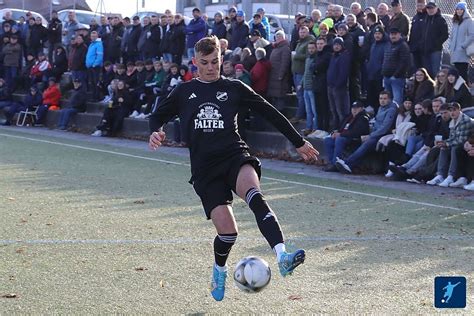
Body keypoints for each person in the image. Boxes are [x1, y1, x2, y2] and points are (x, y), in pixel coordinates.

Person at [148, 36, 318, 302]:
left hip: (234, 156)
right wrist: (155, 132)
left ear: (221, 59)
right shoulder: (183, 92)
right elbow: (157, 116)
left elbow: (270, 112)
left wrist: (298, 142)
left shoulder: (235, 88)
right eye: (204, 63)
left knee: (255, 195)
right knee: (228, 233)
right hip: (205, 169)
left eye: (215, 61)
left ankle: (282, 255)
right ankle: (219, 270)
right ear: (195, 62)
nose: (210, 67)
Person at [335, 90, 397, 174]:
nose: (382, 100)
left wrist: (370, 135)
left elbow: (384, 128)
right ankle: (350, 165)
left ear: (389, 99)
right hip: (375, 133)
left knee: (367, 144)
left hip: (383, 135)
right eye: (381, 98)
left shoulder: (391, 110)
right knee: (362, 143)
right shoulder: (380, 108)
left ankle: (347, 163)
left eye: (385, 99)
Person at [427, 102, 474, 186]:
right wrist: (444, 143)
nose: (452, 113)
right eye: (450, 110)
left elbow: (461, 140)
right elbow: (452, 137)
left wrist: (447, 144)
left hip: (467, 144)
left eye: (454, 110)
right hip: (464, 144)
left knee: (454, 148)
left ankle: (451, 176)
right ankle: (440, 175)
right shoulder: (453, 121)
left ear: (459, 110)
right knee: (443, 148)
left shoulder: (465, 120)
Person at [323, 100, 370, 171]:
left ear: (361, 109)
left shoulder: (363, 118)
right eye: (353, 108)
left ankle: (335, 164)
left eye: (357, 108)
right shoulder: (349, 117)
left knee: (339, 139)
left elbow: (356, 132)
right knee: (328, 140)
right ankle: (331, 163)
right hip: (343, 136)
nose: (354, 110)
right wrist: (335, 132)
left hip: (353, 139)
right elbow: (340, 127)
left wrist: (340, 134)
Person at [381, 28, 410, 106]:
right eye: (391, 34)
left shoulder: (403, 46)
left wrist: (396, 75)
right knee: (387, 100)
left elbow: (404, 62)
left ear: (399, 34)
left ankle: (397, 116)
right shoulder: (388, 44)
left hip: (397, 78)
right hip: (386, 76)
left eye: (395, 34)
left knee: (397, 100)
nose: (393, 36)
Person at [327, 37, 351, 131]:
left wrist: (338, 84)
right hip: (330, 86)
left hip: (339, 88)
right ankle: (335, 128)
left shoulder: (344, 56)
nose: (336, 47)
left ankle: (341, 129)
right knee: (333, 110)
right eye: (335, 45)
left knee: (340, 110)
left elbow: (344, 73)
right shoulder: (333, 56)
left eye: (338, 45)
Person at [422, 2, 449, 78]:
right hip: (425, 50)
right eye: (428, 8)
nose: (430, 10)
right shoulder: (425, 19)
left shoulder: (440, 20)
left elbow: (445, 35)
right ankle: (429, 89)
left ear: (436, 8)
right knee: (427, 72)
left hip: (436, 50)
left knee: (436, 71)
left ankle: (438, 88)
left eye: (432, 8)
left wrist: (435, 44)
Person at [449, 2, 474, 83]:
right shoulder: (455, 21)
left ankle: (465, 92)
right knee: (457, 73)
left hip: (463, 51)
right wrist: (451, 46)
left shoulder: (469, 21)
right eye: (457, 9)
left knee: (462, 73)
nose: (459, 11)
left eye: (461, 9)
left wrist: (463, 46)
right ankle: (458, 92)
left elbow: (472, 35)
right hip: (455, 51)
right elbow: (452, 35)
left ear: (465, 10)